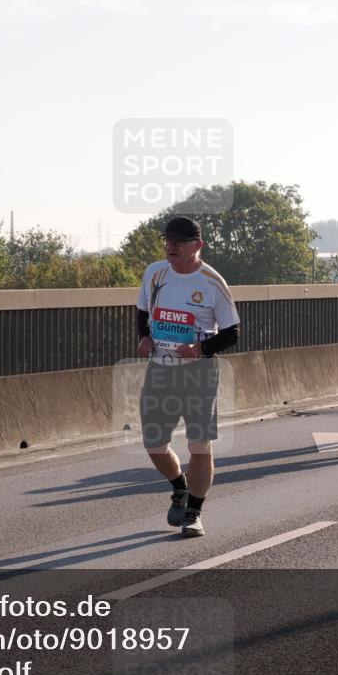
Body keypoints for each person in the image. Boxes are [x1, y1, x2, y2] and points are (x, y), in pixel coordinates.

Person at [136, 216, 240, 537]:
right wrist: (144, 336)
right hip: (160, 370)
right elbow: (143, 311)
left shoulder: (212, 282)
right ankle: (179, 486)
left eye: (179, 242)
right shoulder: (155, 273)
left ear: (197, 245)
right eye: (168, 240)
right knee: (154, 442)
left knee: (198, 445)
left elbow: (232, 333)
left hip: (198, 373)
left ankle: (194, 512)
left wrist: (201, 348)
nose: (171, 246)